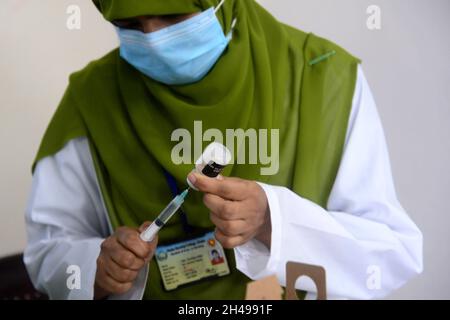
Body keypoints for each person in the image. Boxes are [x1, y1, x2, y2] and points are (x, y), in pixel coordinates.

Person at [24, 0, 422, 300]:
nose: (154, 40)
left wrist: (273, 221)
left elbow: (390, 254)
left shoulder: (323, 78)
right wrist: (96, 265)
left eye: (174, 17)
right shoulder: (92, 99)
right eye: (129, 25)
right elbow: (47, 251)